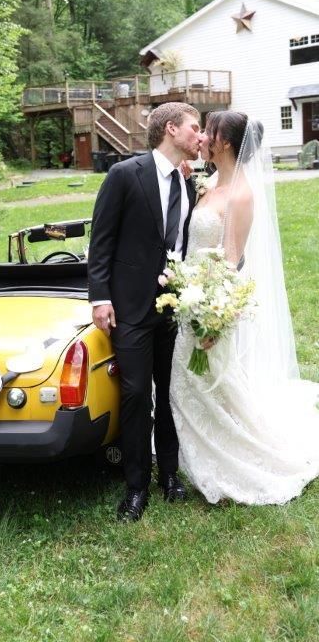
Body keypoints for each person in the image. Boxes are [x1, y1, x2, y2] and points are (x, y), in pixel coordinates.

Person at [170, 111, 319, 504]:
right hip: (189, 295)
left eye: (209, 131)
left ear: (227, 142)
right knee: (187, 381)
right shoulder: (209, 182)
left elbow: (233, 259)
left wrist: (214, 314)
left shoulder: (241, 193)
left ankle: (233, 449)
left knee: (206, 379)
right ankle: (190, 446)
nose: (203, 136)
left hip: (209, 302)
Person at [88, 102, 200, 521]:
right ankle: (136, 486)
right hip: (129, 307)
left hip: (172, 308)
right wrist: (100, 297)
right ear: (171, 129)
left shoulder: (188, 184)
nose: (199, 135)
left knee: (169, 392)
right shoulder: (124, 175)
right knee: (136, 394)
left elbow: (182, 244)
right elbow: (101, 241)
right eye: (194, 128)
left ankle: (169, 474)